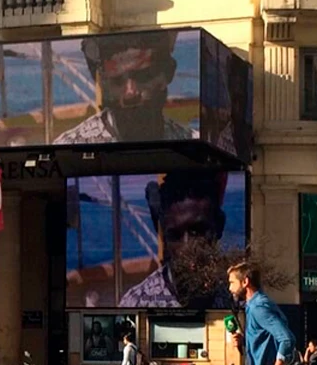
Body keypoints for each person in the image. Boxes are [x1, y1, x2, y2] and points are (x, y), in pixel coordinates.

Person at [53, 31, 197, 145]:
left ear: (167, 73)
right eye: (117, 81)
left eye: (142, 76)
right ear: (103, 84)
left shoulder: (193, 147)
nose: (130, 93)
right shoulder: (70, 148)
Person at [120, 171, 230, 309]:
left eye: (197, 232)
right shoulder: (137, 304)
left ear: (219, 226)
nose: (186, 248)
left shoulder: (240, 297)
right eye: (175, 236)